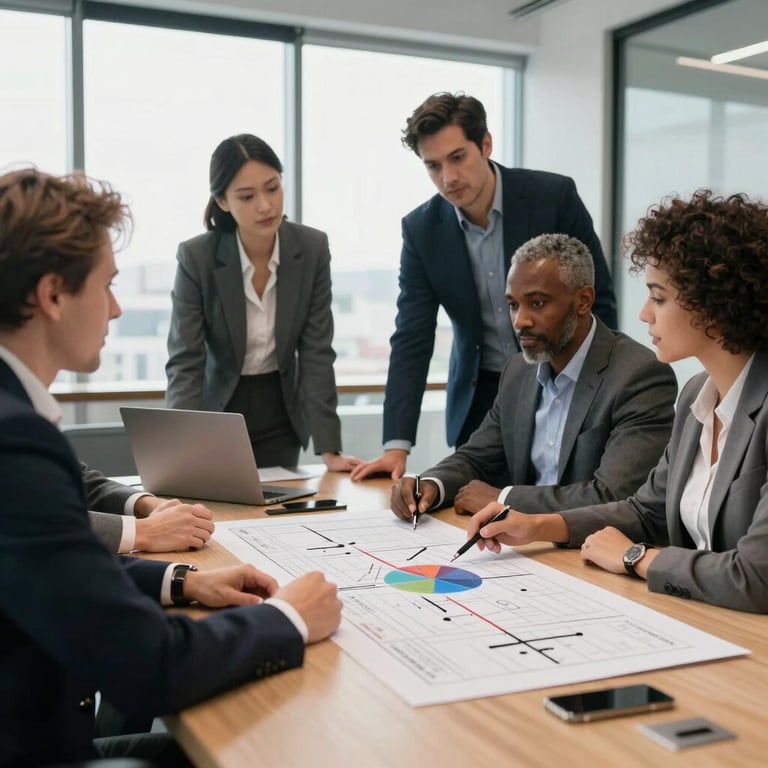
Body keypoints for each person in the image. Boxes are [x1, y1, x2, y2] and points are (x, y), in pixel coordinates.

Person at [0, 167, 342, 767]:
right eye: (105, 285)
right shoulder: (15, 440)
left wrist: (180, 581)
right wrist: (289, 620)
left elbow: (56, 572)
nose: (114, 309)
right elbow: (147, 665)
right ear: (53, 295)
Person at [465, 190, 768, 614]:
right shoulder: (697, 395)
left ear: (714, 305)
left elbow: (756, 576)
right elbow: (646, 512)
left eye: (658, 297)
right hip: (702, 620)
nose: (644, 314)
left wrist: (637, 558)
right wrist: (535, 525)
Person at [351, 92, 617, 482]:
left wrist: (602, 393)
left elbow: (598, 301)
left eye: (458, 157)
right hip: (481, 396)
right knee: (471, 517)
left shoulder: (552, 197)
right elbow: (412, 337)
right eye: (433, 166)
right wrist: (396, 445)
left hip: (563, 380)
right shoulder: (422, 230)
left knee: (561, 512)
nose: (449, 178)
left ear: (486, 144)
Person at [391, 233, 677, 522]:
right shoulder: (518, 371)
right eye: (513, 305)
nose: (520, 321)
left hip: (591, 552)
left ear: (583, 301)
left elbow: (614, 496)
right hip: (522, 548)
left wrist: (503, 498)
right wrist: (430, 484)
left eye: (537, 304)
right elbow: (477, 458)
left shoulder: (639, 376)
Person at [166, 134, 361, 471]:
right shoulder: (197, 257)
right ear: (223, 201)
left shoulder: (311, 248)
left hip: (280, 411)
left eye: (273, 188)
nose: (266, 206)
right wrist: (177, 450)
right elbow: (186, 361)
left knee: (273, 514)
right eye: (247, 196)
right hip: (218, 412)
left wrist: (330, 449)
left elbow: (316, 351)